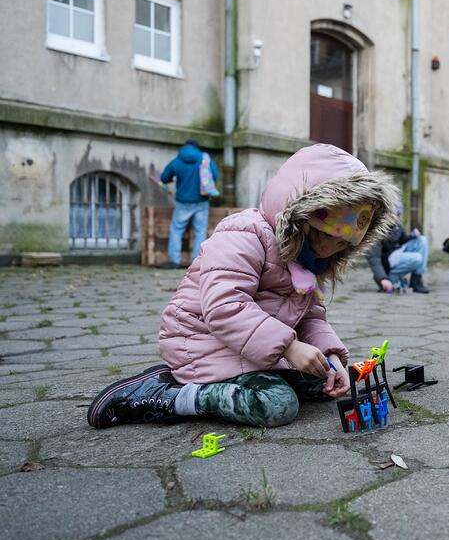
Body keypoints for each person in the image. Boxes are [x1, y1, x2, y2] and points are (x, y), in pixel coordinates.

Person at [87, 144, 398, 428]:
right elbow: (224, 307)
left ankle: (273, 375)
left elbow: (311, 318)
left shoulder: (310, 260)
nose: (330, 249)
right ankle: (169, 394)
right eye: (323, 235)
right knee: (276, 405)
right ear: (301, 216)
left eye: (342, 244)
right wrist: (290, 347)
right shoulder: (244, 233)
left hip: (255, 348)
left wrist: (331, 357)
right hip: (201, 343)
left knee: (322, 381)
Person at [159, 140, 219, 269]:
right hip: (202, 201)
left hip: (183, 202)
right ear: (197, 148)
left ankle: (174, 260)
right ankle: (197, 262)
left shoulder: (177, 160)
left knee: (176, 229)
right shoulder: (204, 159)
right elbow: (215, 175)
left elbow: (164, 177)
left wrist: (173, 178)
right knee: (200, 231)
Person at [365, 202, 430, 294]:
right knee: (417, 258)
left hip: (397, 253)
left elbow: (403, 241)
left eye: (398, 214)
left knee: (422, 240)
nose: (397, 217)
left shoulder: (397, 225)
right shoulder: (376, 229)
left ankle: (417, 279)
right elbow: (373, 257)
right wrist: (382, 278)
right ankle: (390, 280)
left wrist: (412, 236)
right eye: (395, 214)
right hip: (387, 262)